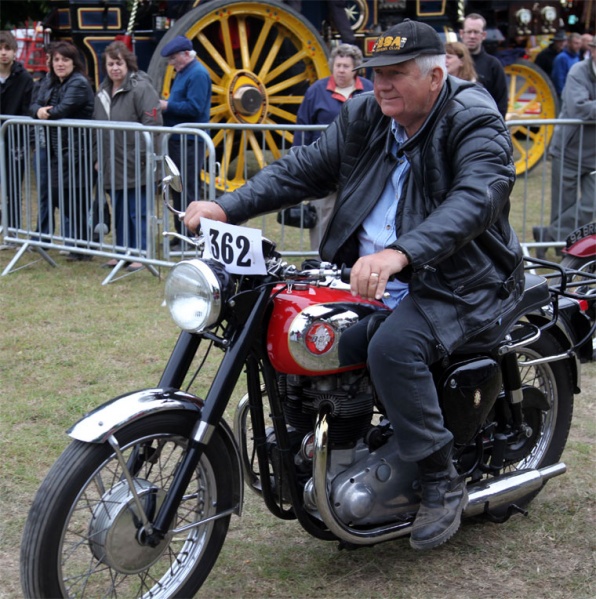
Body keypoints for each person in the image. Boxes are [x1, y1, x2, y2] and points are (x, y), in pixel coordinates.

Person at [184, 19, 523, 551]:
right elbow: (303, 170)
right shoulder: (366, 114)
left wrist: (401, 252)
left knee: (393, 348)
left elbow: (475, 200)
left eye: (396, 73)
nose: (381, 84)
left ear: (436, 77)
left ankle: (440, 477)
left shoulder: (473, 118)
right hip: (370, 276)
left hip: (462, 278)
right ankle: (320, 441)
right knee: (295, 325)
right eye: (376, 73)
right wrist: (227, 206)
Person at [293, 43, 373, 250]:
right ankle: (318, 260)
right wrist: (299, 161)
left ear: (355, 68)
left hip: (358, 168)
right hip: (324, 167)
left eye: (346, 66)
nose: (341, 70)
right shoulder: (316, 91)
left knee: (358, 217)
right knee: (322, 218)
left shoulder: (369, 89)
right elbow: (302, 127)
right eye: (338, 65)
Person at [93, 41, 162, 272]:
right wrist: (97, 157)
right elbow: (95, 128)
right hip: (111, 161)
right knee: (120, 210)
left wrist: (144, 156)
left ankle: (141, 253)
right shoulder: (102, 91)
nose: (114, 68)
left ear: (128, 64)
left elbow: (153, 124)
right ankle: (121, 252)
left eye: (118, 63)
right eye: (110, 64)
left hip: (136, 160)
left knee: (138, 210)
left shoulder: (141, 88)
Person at [30, 41, 94, 261]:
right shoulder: (52, 81)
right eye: (56, 60)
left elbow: (62, 110)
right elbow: (33, 104)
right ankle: (82, 244)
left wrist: (43, 113)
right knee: (60, 196)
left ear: (73, 62)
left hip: (78, 152)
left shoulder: (78, 83)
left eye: (65, 60)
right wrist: (38, 111)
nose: (60, 64)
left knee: (75, 199)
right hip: (60, 151)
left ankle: (84, 246)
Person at [533, 38, 596, 256]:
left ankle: (548, 235)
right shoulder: (578, 72)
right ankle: (566, 249)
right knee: (562, 206)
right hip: (569, 150)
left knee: (591, 204)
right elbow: (579, 108)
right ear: (592, 51)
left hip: (593, 155)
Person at [159, 35, 211, 238]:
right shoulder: (185, 72)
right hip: (179, 139)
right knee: (178, 188)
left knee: (188, 189)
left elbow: (195, 107)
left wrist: (167, 106)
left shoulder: (198, 74)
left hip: (190, 141)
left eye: (174, 58)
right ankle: (182, 233)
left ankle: (191, 236)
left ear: (187, 54)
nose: (171, 63)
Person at [0, 30, 33, 247]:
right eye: (0, 49)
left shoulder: (25, 78)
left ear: (14, 52)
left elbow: (27, 110)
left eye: (7, 49)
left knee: (13, 186)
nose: (3, 53)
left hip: (14, 141)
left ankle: (13, 231)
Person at [460, 13, 508, 117]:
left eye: (476, 32)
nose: (472, 36)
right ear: (461, 33)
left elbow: (501, 103)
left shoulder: (493, 65)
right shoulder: (452, 62)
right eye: (469, 32)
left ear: (484, 35)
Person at [551, 32, 581, 97]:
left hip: (575, 93)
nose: (578, 46)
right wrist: (563, 95)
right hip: (565, 94)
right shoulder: (561, 58)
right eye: (576, 43)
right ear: (569, 43)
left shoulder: (577, 57)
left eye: (579, 43)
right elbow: (558, 78)